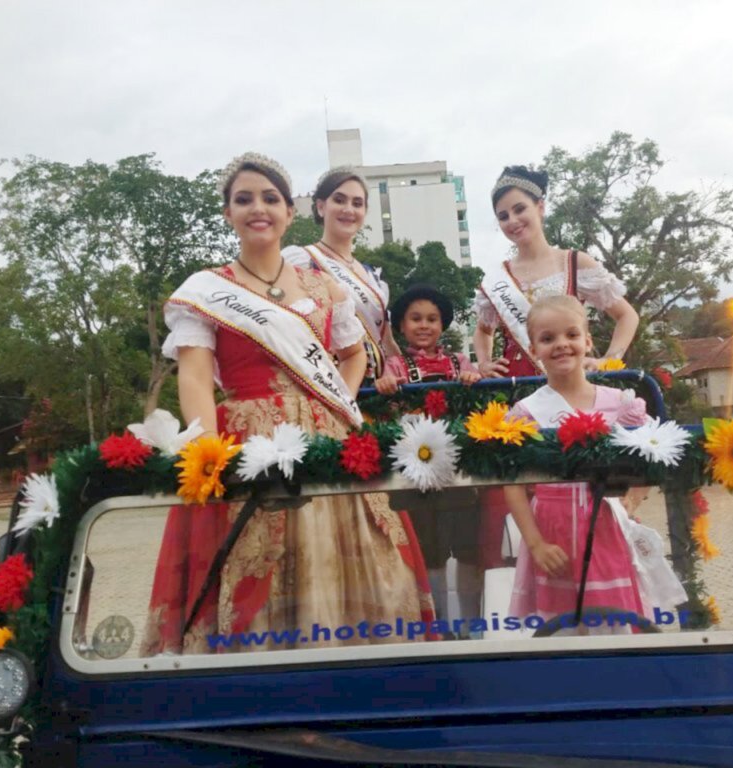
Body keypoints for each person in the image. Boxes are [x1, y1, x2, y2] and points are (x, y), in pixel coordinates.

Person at [141, 153, 433, 656]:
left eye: (270, 198)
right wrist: (206, 446)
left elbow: (352, 353)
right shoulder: (208, 290)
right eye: (244, 199)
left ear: (289, 211)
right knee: (255, 559)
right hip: (249, 438)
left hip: (328, 437)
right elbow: (193, 374)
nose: (259, 208)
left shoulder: (324, 287)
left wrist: (338, 398)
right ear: (228, 212)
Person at [473, 165, 641, 569]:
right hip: (520, 395)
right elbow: (483, 330)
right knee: (517, 494)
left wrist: (607, 360)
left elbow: (626, 315)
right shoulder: (499, 278)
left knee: (583, 488)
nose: (512, 221)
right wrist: (482, 362)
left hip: (575, 390)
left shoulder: (573, 262)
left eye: (519, 209)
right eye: (503, 216)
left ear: (541, 207)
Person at [504, 296, 647, 634]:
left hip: (606, 529)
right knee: (559, 630)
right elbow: (509, 481)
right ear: (533, 348)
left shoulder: (621, 404)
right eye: (548, 338)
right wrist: (535, 542)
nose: (561, 345)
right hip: (551, 531)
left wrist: (634, 497)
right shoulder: (525, 413)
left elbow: (649, 456)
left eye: (571, 334)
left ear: (587, 340)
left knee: (612, 626)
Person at [376, 285, 483, 637]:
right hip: (415, 473)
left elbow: (477, 396)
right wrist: (387, 386)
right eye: (416, 319)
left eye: (432, 319)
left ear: (443, 325)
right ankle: (439, 625)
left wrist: (471, 378)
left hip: (459, 468)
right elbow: (388, 406)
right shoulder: (395, 363)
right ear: (402, 326)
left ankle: (471, 626)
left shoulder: (458, 362)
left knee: (468, 545)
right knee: (429, 548)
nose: (424, 325)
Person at [283, 167, 398, 383]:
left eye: (357, 203)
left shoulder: (372, 276)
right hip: (331, 383)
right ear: (320, 206)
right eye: (339, 200)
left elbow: (387, 341)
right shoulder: (301, 260)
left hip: (380, 389)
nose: (348, 209)